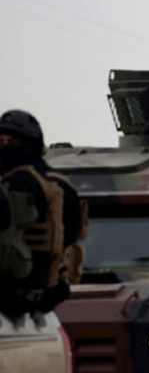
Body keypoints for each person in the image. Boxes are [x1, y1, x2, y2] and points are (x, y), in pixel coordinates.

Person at [0, 110, 86, 318]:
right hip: (47, 304)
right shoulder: (62, 185)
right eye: (1, 140)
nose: (4, 146)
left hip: (20, 306)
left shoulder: (23, 185)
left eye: (11, 141)